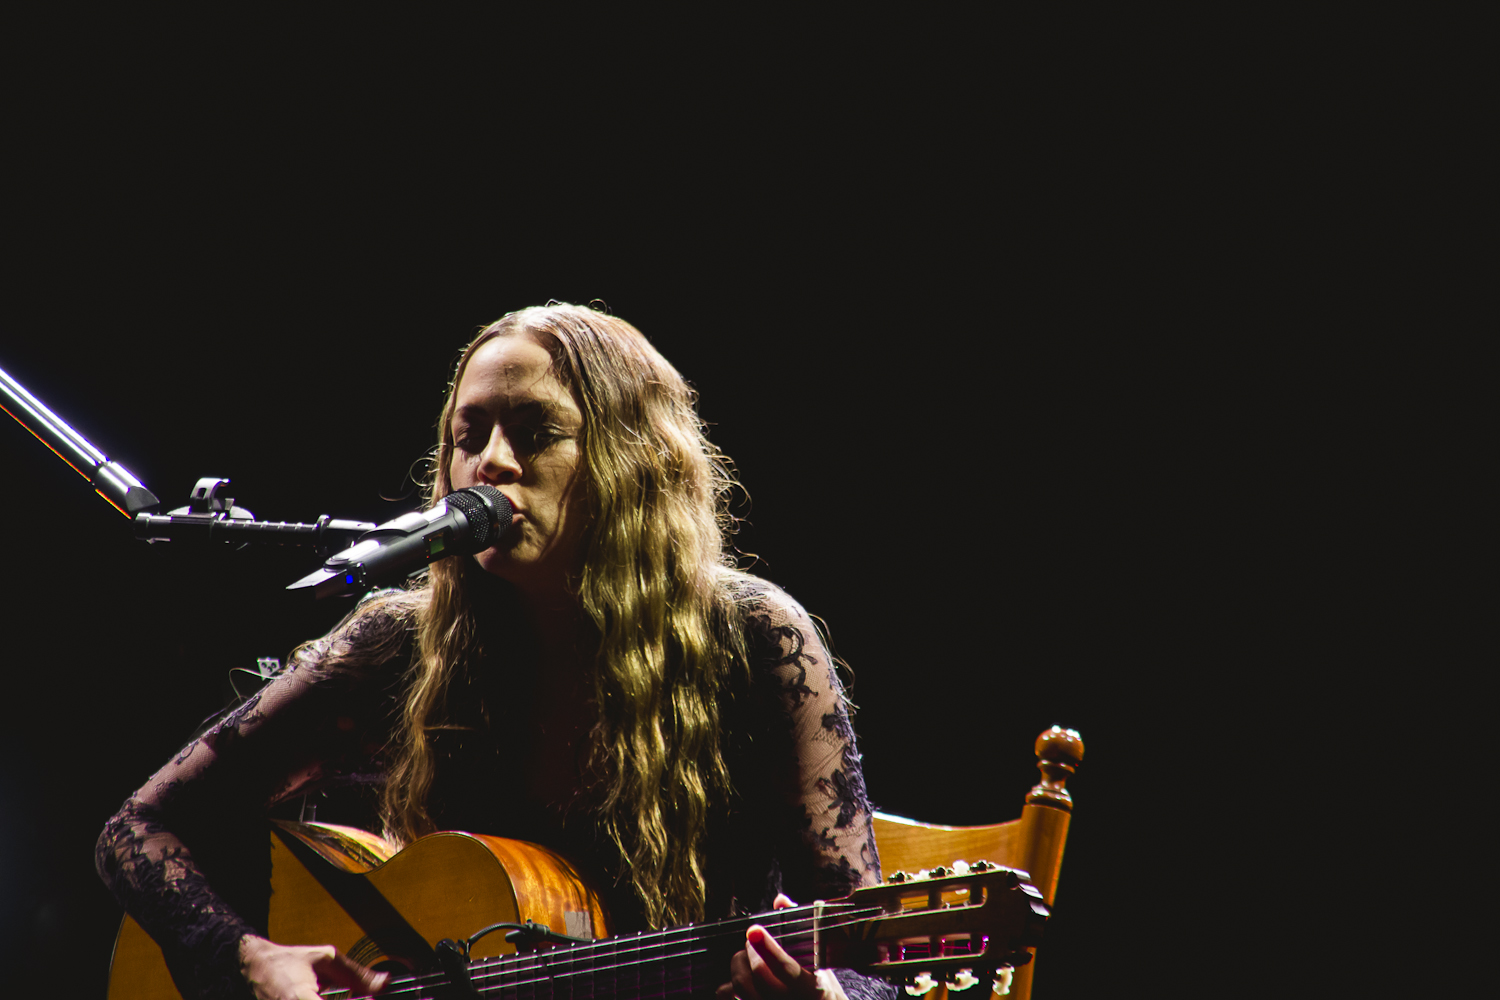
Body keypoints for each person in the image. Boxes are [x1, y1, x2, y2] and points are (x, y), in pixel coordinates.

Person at [97, 304, 888, 1000]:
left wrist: (828, 995)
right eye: (468, 436)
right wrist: (246, 959)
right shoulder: (398, 645)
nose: (491, 462)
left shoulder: (752, 642)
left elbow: (873, 959)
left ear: (632, 460)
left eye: (536, 431)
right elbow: (139, 828)